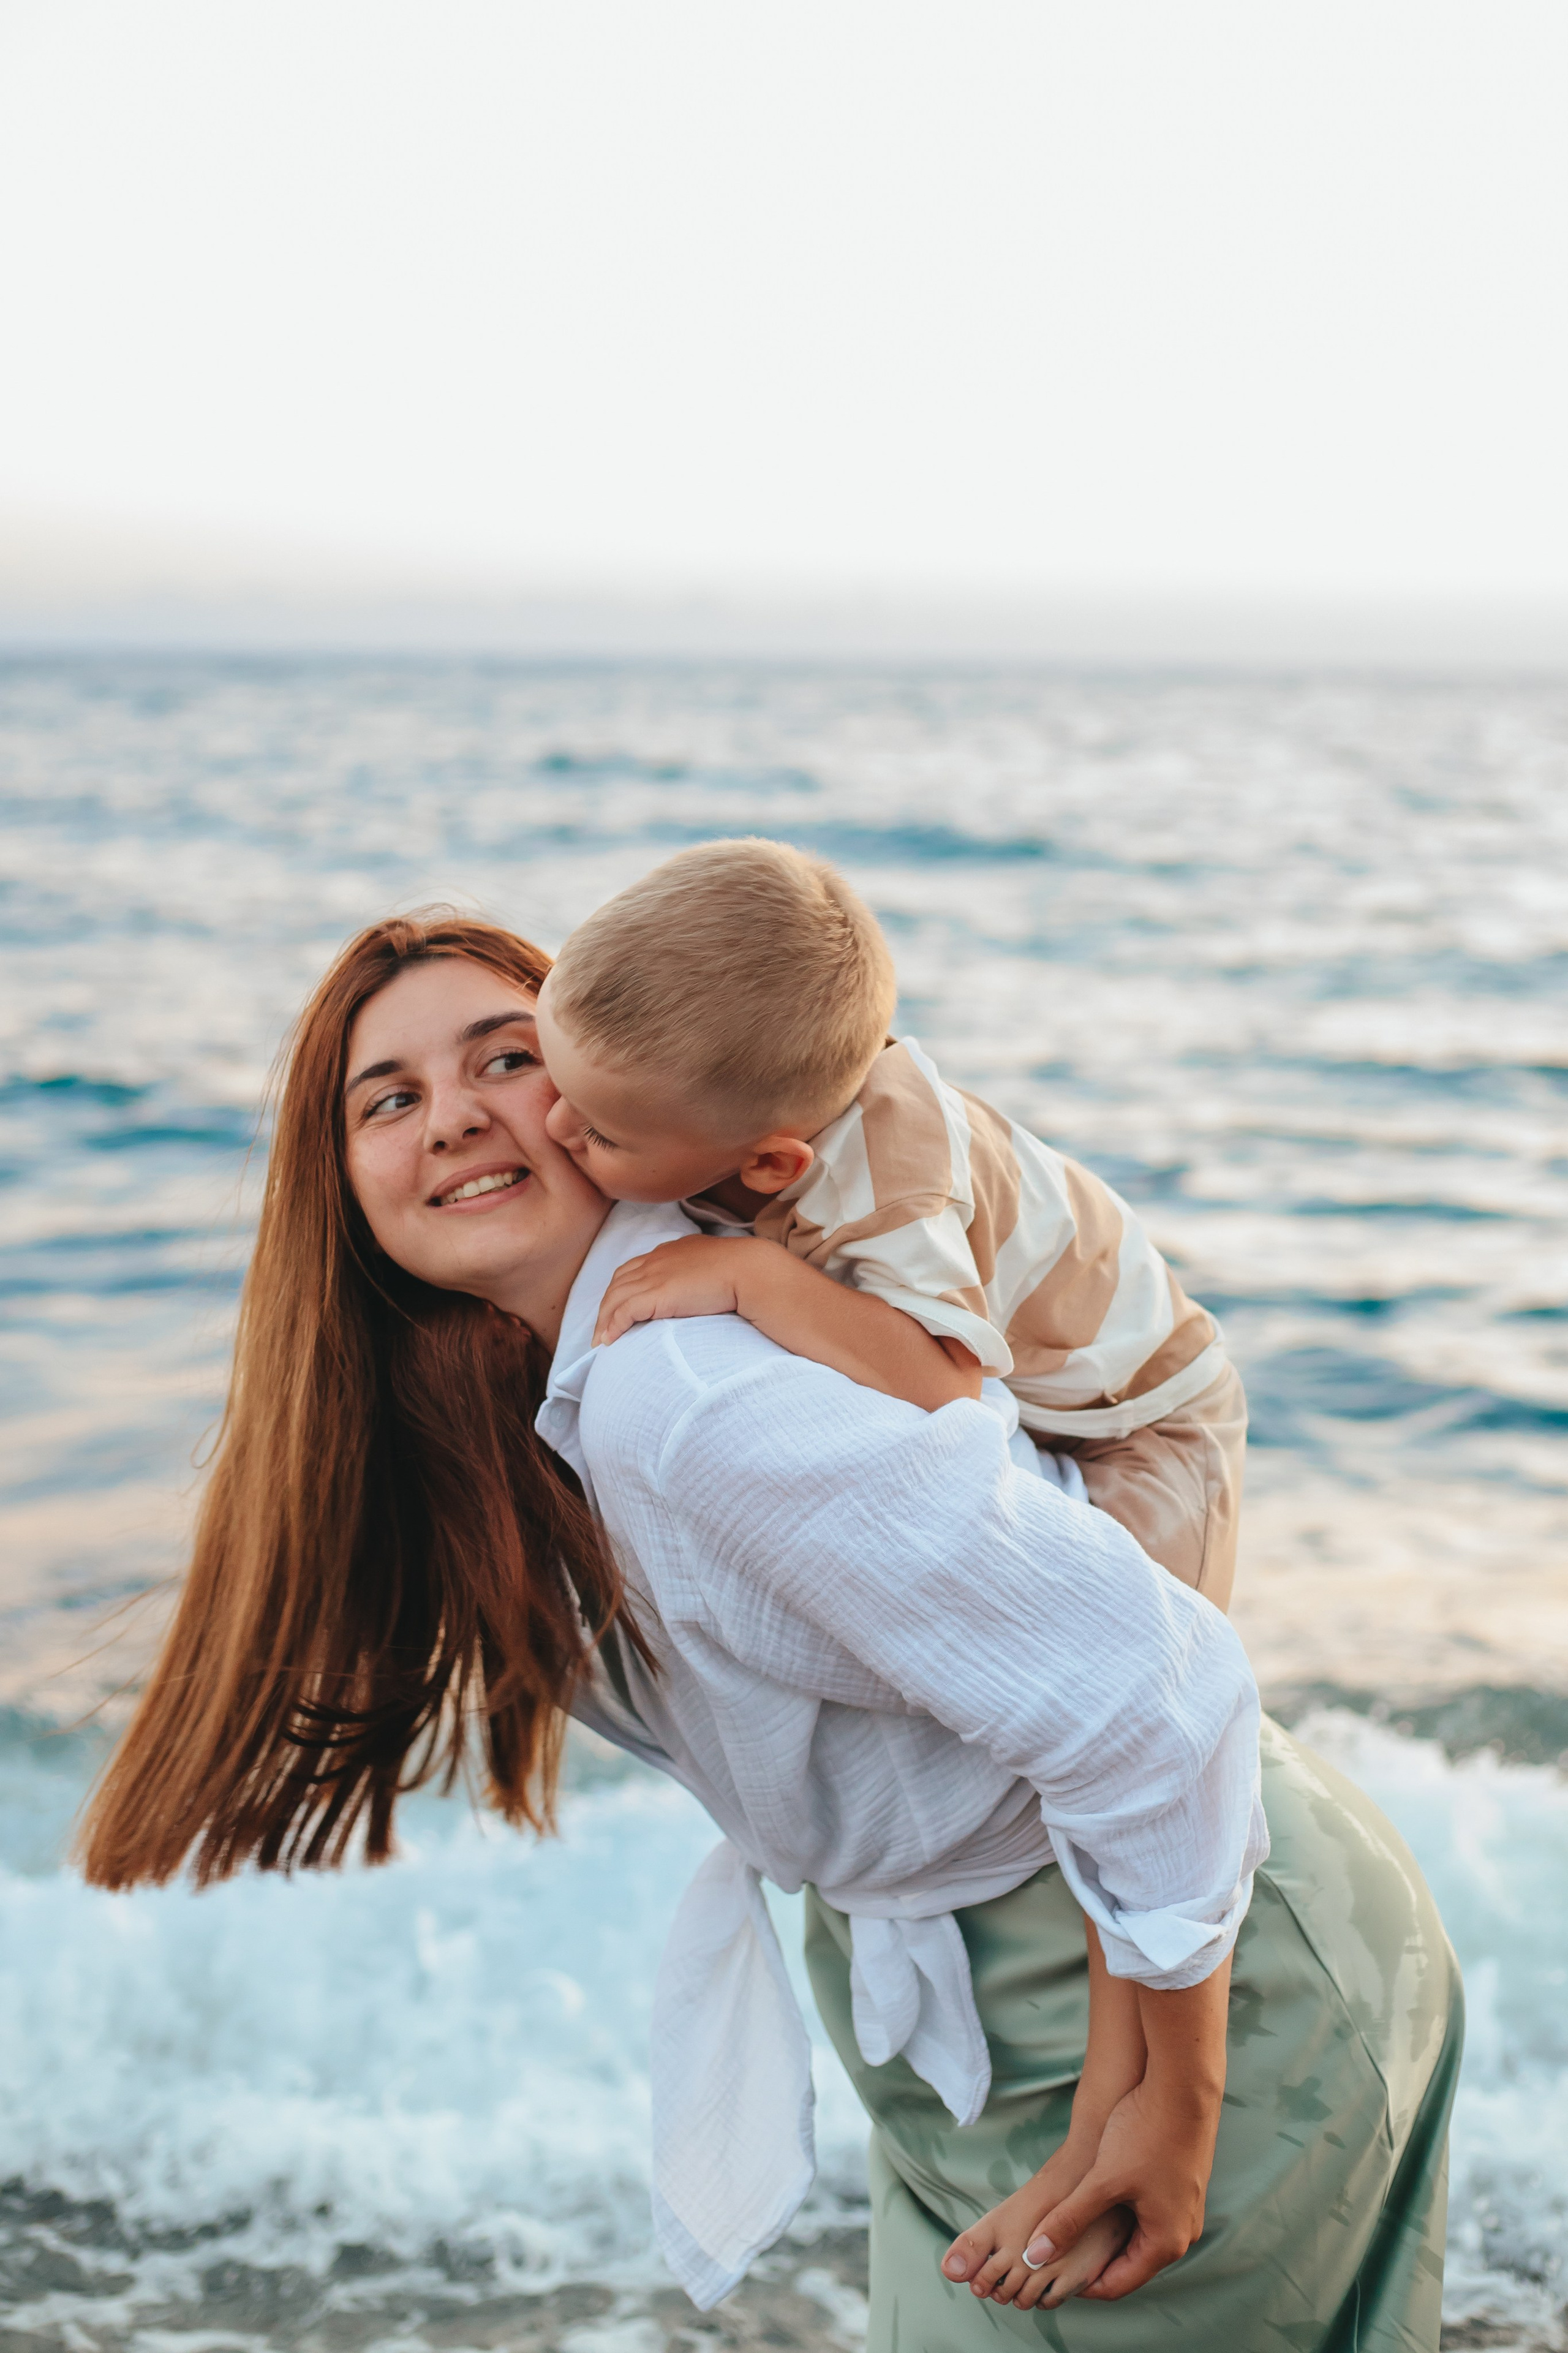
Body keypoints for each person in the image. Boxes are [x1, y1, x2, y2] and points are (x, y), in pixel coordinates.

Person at [80, 914, 1462, 2350]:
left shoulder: (687, 1389)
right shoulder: (558, 1389)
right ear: (341, 1179)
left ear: (608, 1085)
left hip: (1182, 1987)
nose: (459, 1118)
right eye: (390, 1097)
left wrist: (1174, 2103)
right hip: (1024, 2003)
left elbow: (1162, 1688)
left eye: (509, 1057)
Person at [535, 836, 1245, 1607]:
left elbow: (941, 1383)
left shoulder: (892, 1195)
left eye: (602, 1134)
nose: (553, 1125)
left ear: (772, 1166)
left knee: (1149, 1645)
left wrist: (750, 1275)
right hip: (1053, 1377)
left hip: (1153, 1423)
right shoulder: (747, 1110)